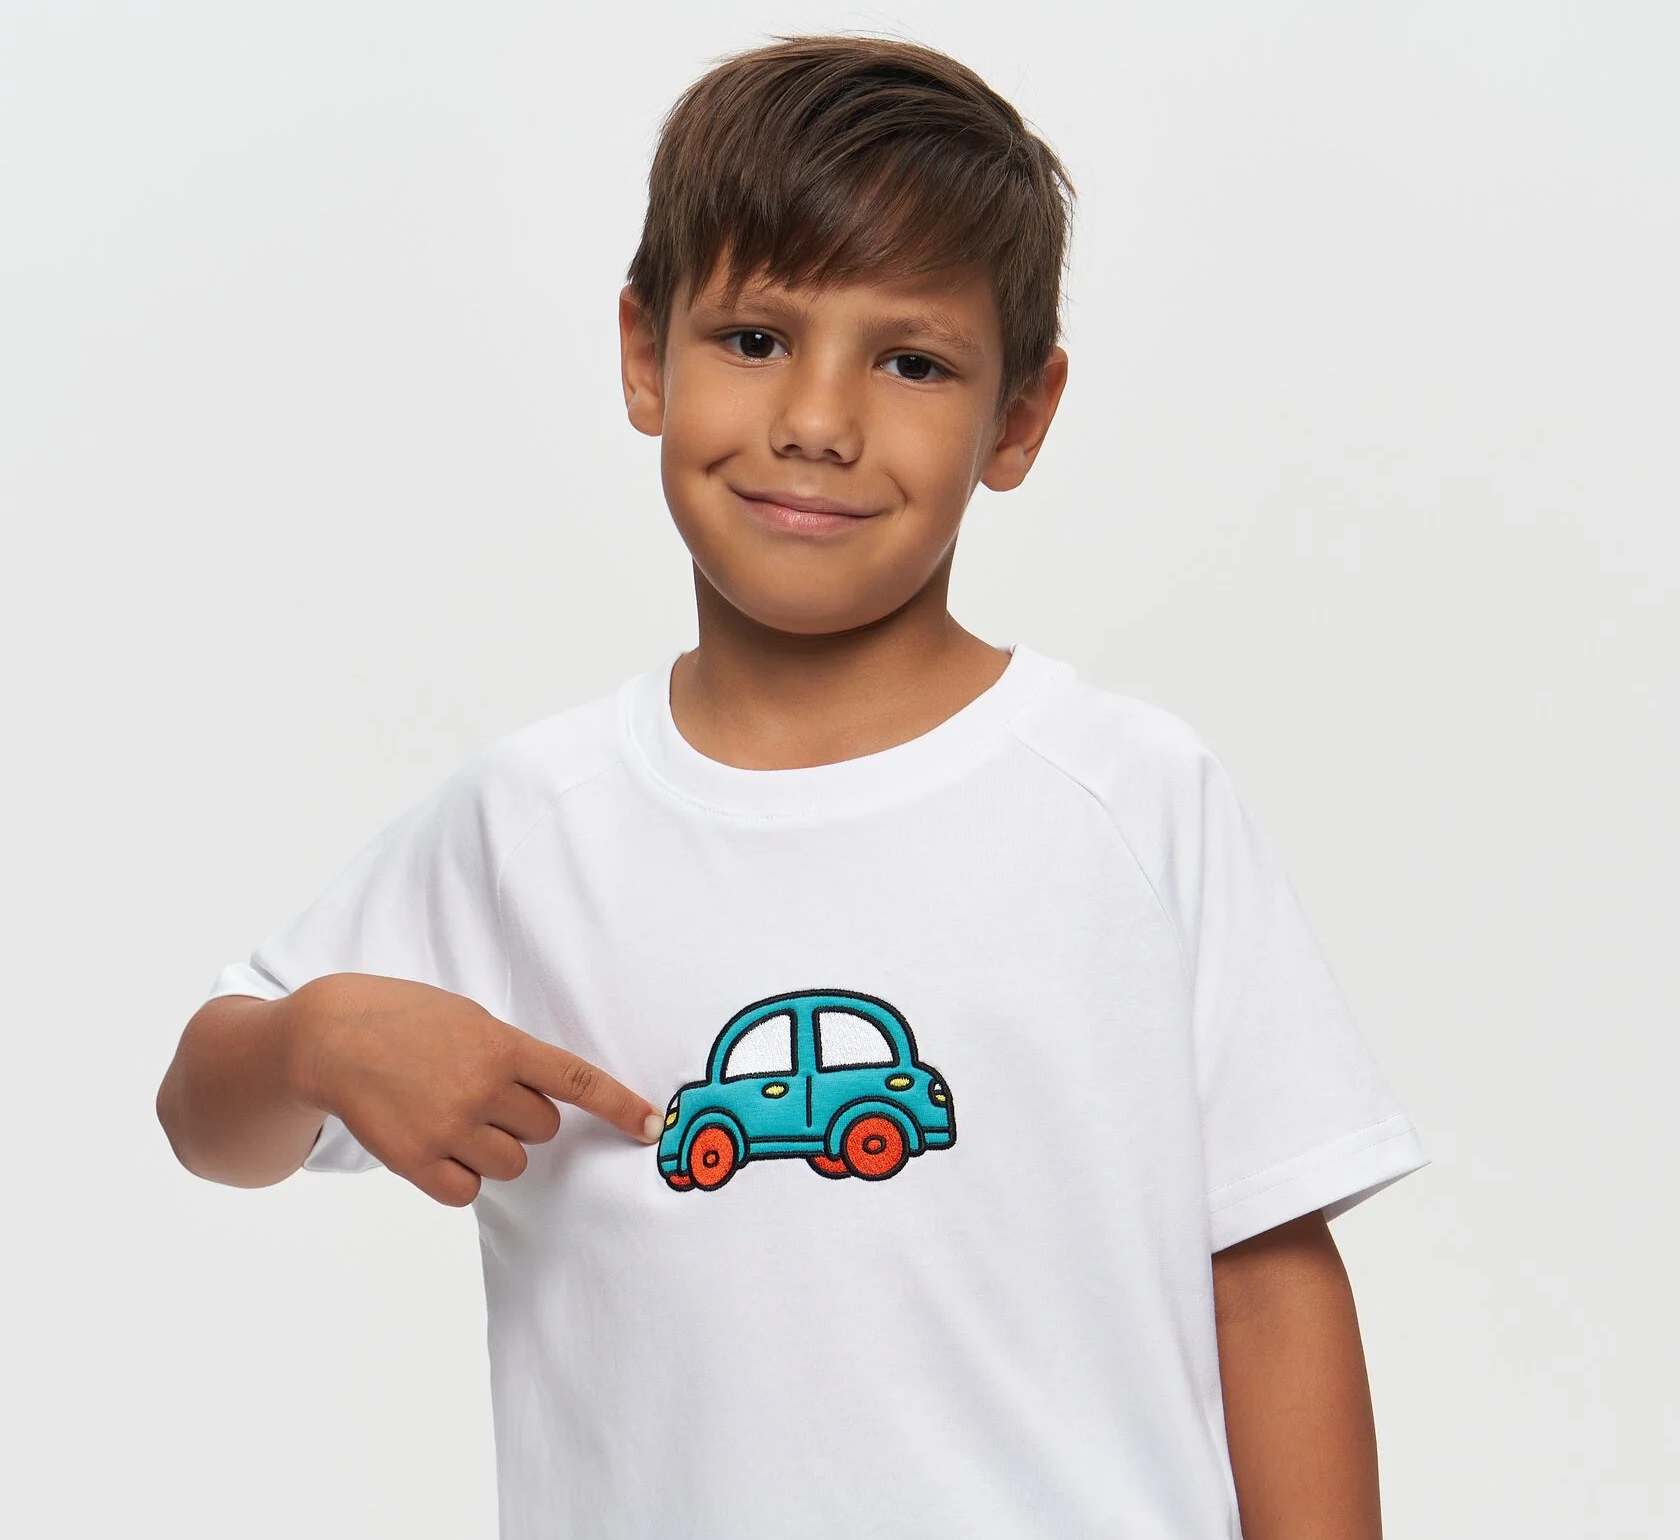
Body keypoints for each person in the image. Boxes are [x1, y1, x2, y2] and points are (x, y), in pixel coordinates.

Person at [156, 32, 1430, 1540]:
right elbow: (203, 1113)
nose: (817, 421)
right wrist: (310, 1040)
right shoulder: (535, 821)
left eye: (912, 362)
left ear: (1020, 416)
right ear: (646, 353)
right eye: (756, 338)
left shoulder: (1130, 797)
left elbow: (1268, 1281)